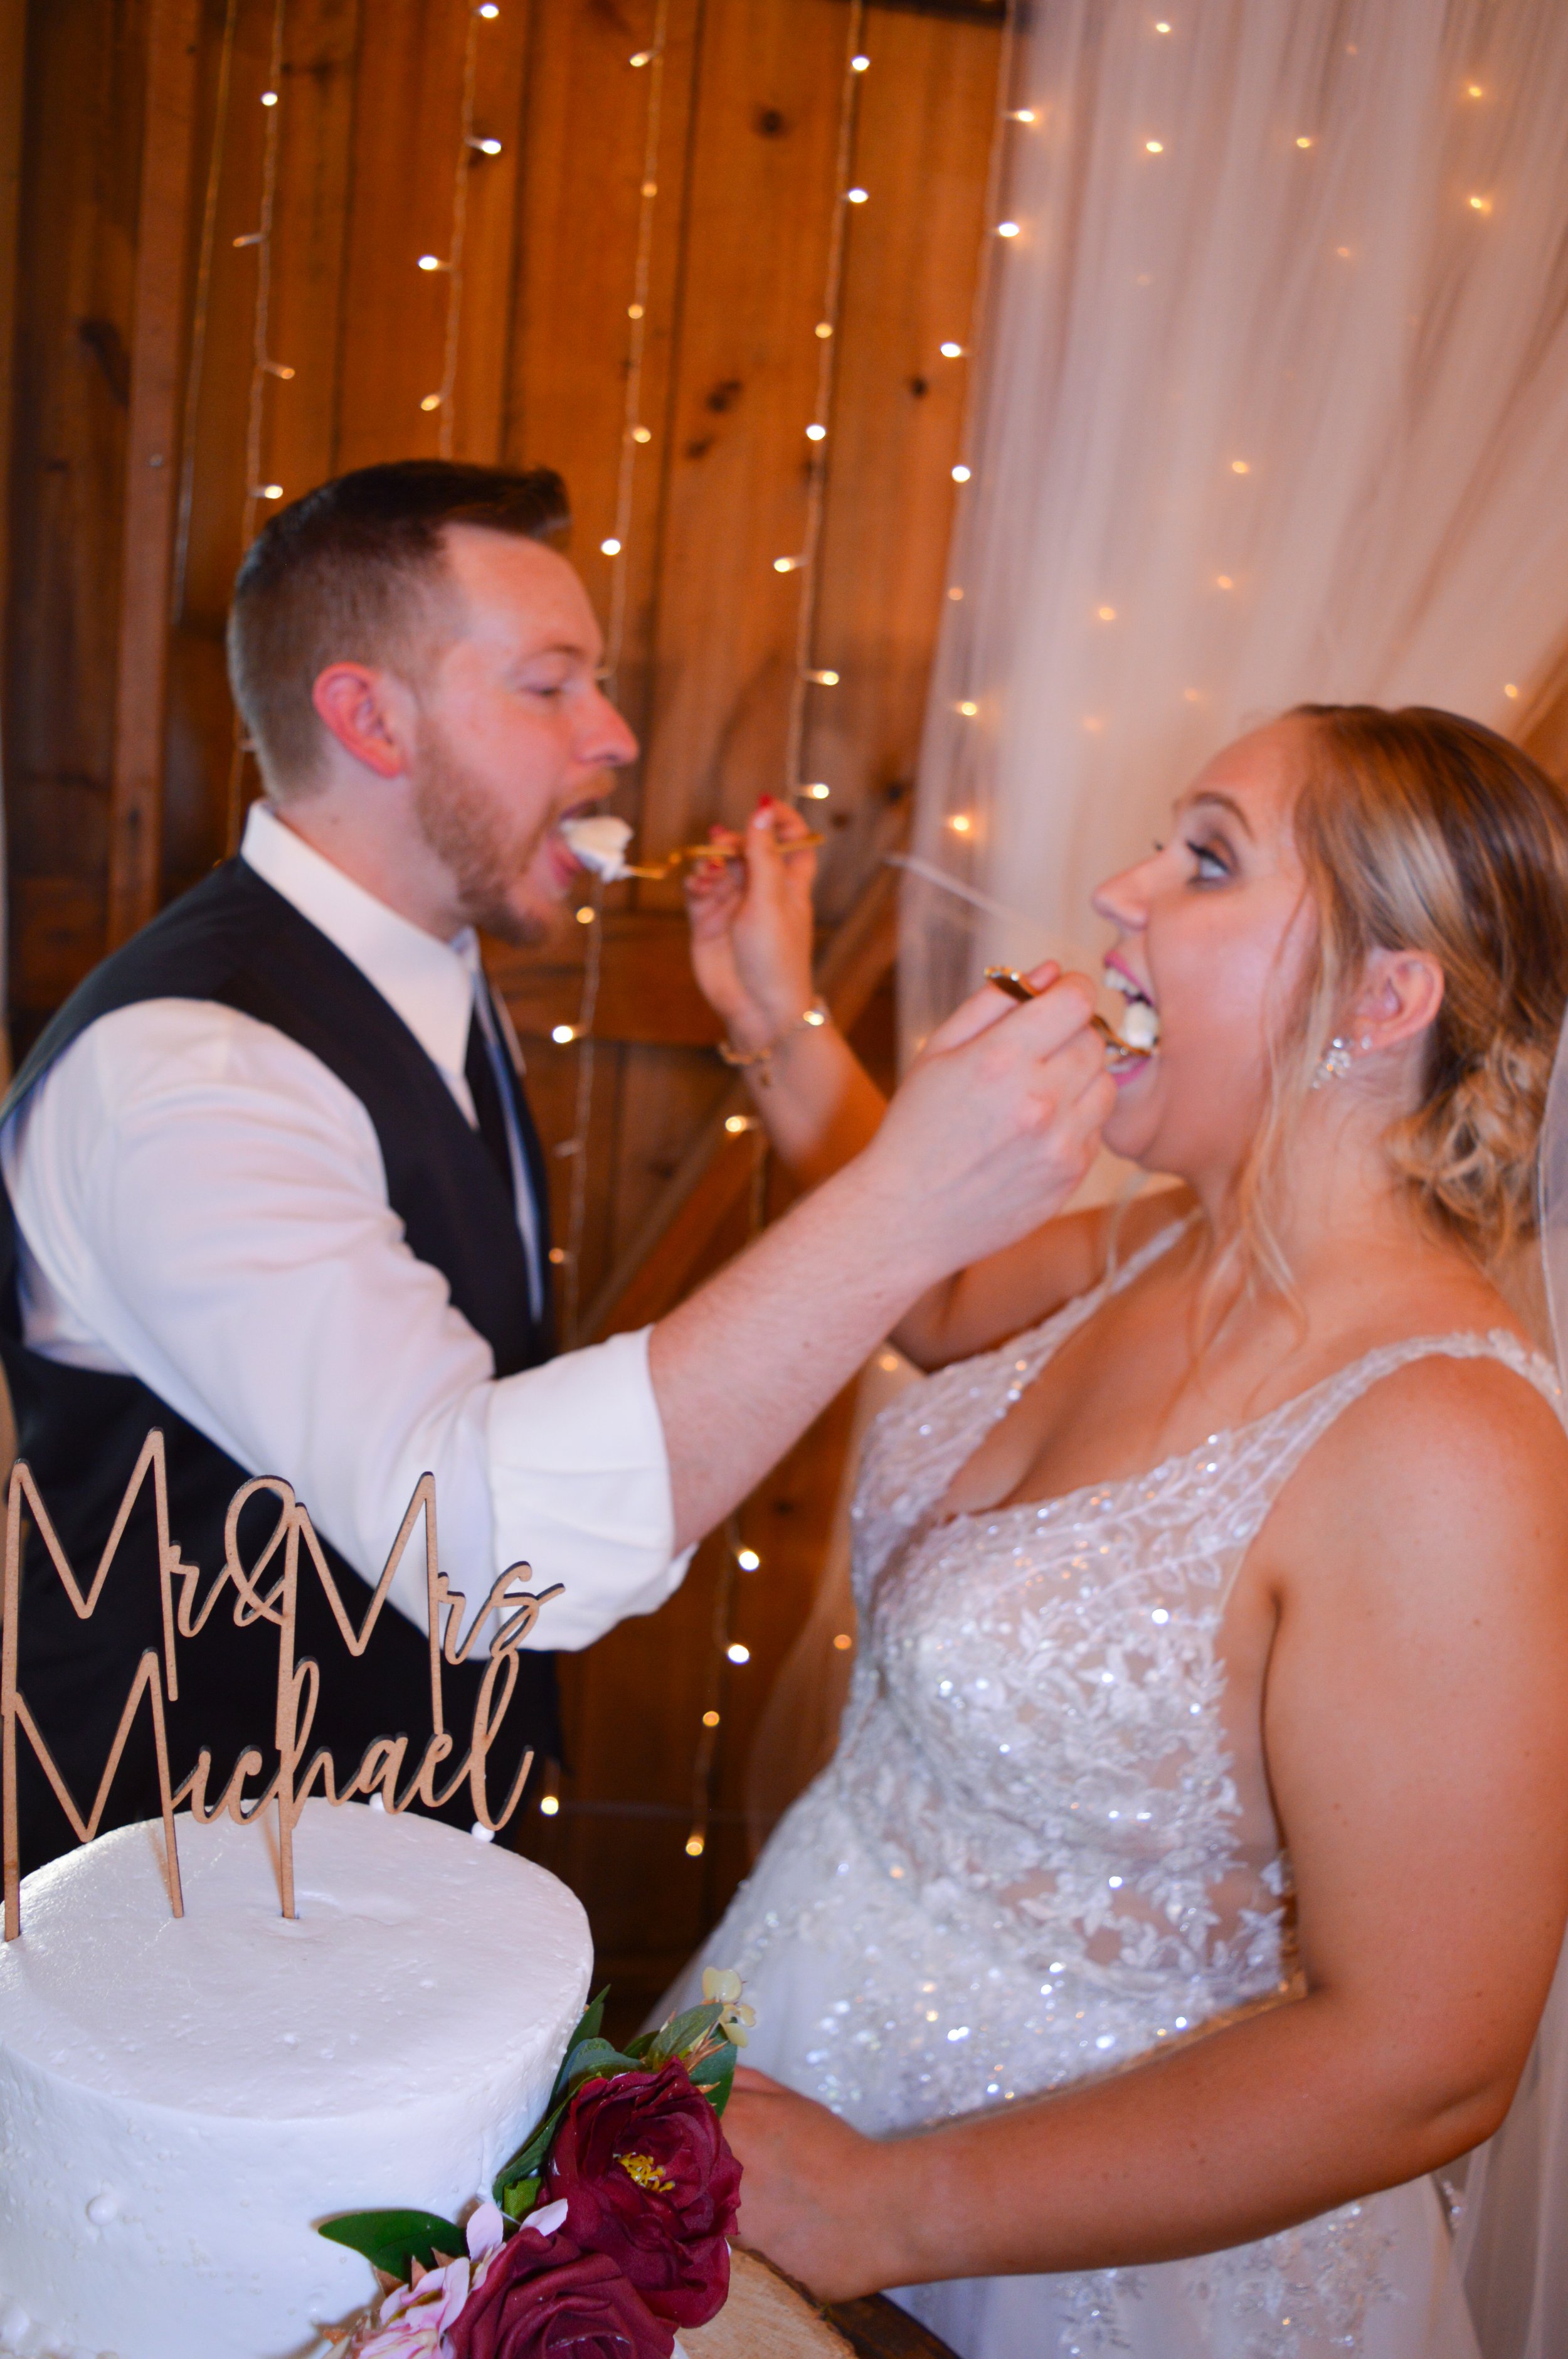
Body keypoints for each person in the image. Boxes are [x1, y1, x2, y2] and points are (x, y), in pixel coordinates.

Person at [0, 459, 1111, 1876]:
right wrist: (906, 1199)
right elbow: (475, 1543)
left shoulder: (417, 963)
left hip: (404, 1839)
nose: (616, 735)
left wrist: (773, 1016)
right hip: (190, 1889)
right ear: (368, 716)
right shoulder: (193, 1079)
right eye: (549, 686)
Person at [674, 705, 1568, 2358]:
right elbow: (937, 1302)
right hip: (788, 2028)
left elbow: (1430, 2055)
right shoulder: (1169, 1237)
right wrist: (775, 1017)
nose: (1114, 892)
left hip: (1080, 2256)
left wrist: (889, 2205)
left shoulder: (1447, 1446)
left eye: (1205, 859)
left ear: (1381, 997)